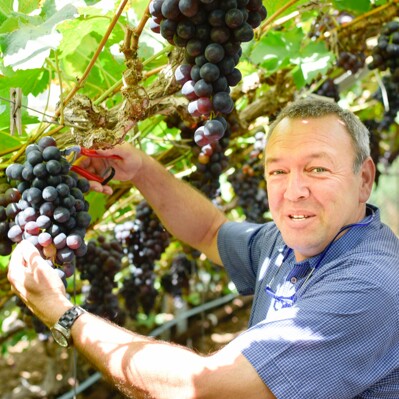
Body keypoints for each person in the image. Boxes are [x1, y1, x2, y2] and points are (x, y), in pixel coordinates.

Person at [8, 97, 399, 399]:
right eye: (278, 171)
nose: (294, 191)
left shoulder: (369, 287)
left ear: (364, 179)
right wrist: (141, 170)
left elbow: (202, 389)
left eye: (317, 169)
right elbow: (210, 231)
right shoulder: (286, 244)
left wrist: (64, 316)